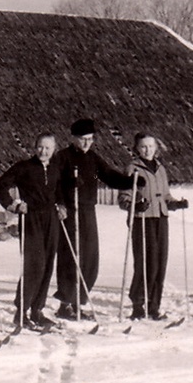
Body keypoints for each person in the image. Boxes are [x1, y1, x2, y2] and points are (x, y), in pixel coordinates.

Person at [53, 117, 135, 320]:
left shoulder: (93, 158)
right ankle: (65, 305)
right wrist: (63, 198)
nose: (86, 143)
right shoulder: (62, 158)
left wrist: (130, 181)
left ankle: (78, 302)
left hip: (88, 211)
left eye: (90, 139)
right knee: (71, 257)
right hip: (70, 213)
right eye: (82, 139)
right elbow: (52, 185)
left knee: (90, 259)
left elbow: (109, 175)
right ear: (72, 138)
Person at [0, 132, 67, 331]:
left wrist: (62, 205)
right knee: (34, 265)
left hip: (51, 219)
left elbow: (60, 190)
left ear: (54, 150)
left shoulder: (55, 168)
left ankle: (37, 311)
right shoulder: (24, 167)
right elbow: (0, 186)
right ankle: (21, 312)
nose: (43, 151)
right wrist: (14, 205)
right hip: (31, 218)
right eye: (40, 147)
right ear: (35, 147)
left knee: (48, 264)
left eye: (48, 148)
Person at [119, 132, 188, 321]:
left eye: (151, 146)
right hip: (143, 220)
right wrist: (135, 205)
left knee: (160, 263)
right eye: (143, 146)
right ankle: (138, 304)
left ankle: (154, 305)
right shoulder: (133, 168)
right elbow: (124, 198)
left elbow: (165, 196)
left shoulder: (160, 168)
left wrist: (175, 203)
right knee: (145, 263)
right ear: (137, 149)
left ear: (156, 148)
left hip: (161, 219)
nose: (148, 150)